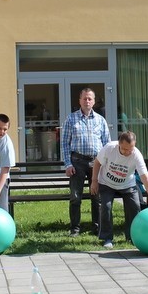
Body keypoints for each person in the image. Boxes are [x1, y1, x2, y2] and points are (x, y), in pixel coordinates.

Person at [91, 131, 148, 249]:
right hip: (106, 183)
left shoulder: (136, 154)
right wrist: (94, 181)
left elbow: (144, 176)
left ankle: (133, 236)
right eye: (124, 149)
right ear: (119, 144)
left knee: (135, 207)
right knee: (105, 207)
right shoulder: (109, 148)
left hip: (127, 184)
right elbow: (97, 163)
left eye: (130, 149)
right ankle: (107, 237)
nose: (128, 152)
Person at [61, 88, 110, 237]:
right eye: (84, 99)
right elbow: (64, 143)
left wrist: (106, 164)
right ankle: (75, 229)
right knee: (75, 197)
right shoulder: (71, 119)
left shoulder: (101, 120)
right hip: (77, 162)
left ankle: (97, 227)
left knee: (97, 197)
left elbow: (107, 144)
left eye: (90, 99)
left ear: (94, 101)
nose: (87, 101)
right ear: (79, 101)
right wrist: (68, 164)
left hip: (96, 162)